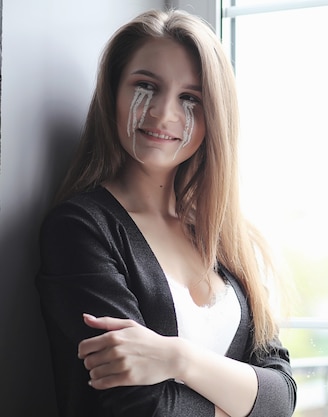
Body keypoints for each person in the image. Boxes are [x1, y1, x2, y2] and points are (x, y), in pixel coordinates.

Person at [35, 9, 297, 417]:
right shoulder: (80, 229)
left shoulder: (222, 237)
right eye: (146, 86)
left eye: (190, 98)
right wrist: (241, 401)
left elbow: (281, 397)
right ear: (114, 94)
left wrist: (178, 358)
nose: (164, 114)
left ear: (215, 117)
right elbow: (140, 407)